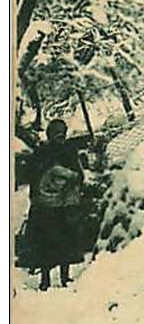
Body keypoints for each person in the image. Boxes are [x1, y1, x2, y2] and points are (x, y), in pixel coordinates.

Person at [17, 119, 85, 291]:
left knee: (63, 241)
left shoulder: (64, 151)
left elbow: (79, 175)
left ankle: (63, 277)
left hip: (59, 206)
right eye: (56, 132)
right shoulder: (43, 152)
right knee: (46, 242)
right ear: (49, 134)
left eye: (61, 132)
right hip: (47, 207)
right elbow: (33, 177)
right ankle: (46, 279)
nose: (59, 136)